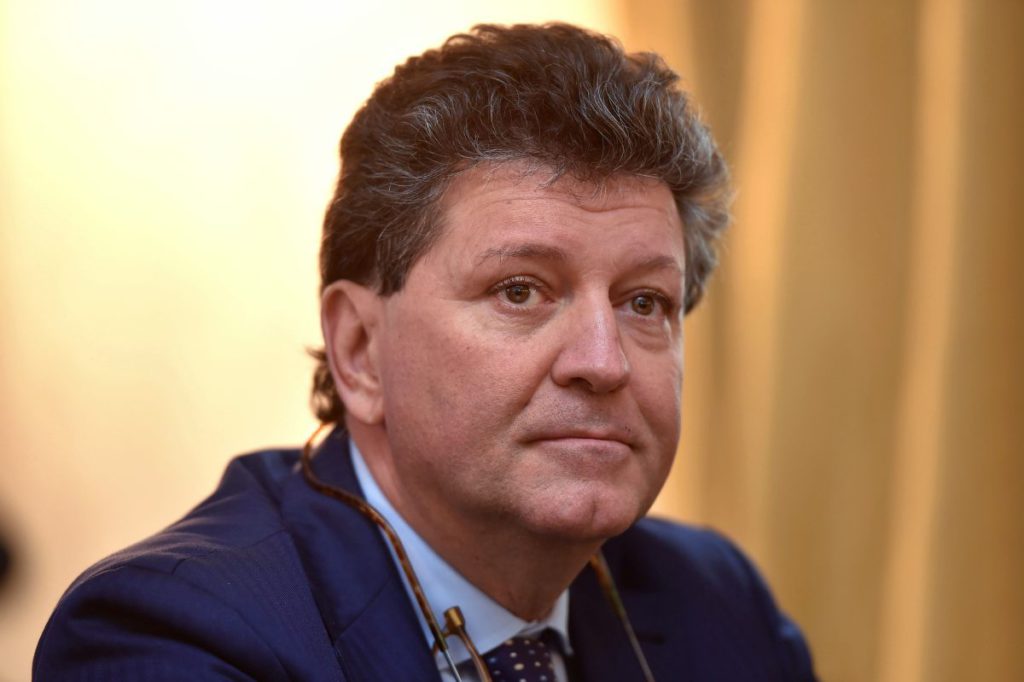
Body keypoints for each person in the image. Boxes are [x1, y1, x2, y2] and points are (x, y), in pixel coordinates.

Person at [34, 23, 816, 681]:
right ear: (360, 350)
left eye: (644, 302)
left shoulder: (719, 603)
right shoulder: (174, 634)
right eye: (520, 290)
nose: (602, 362)